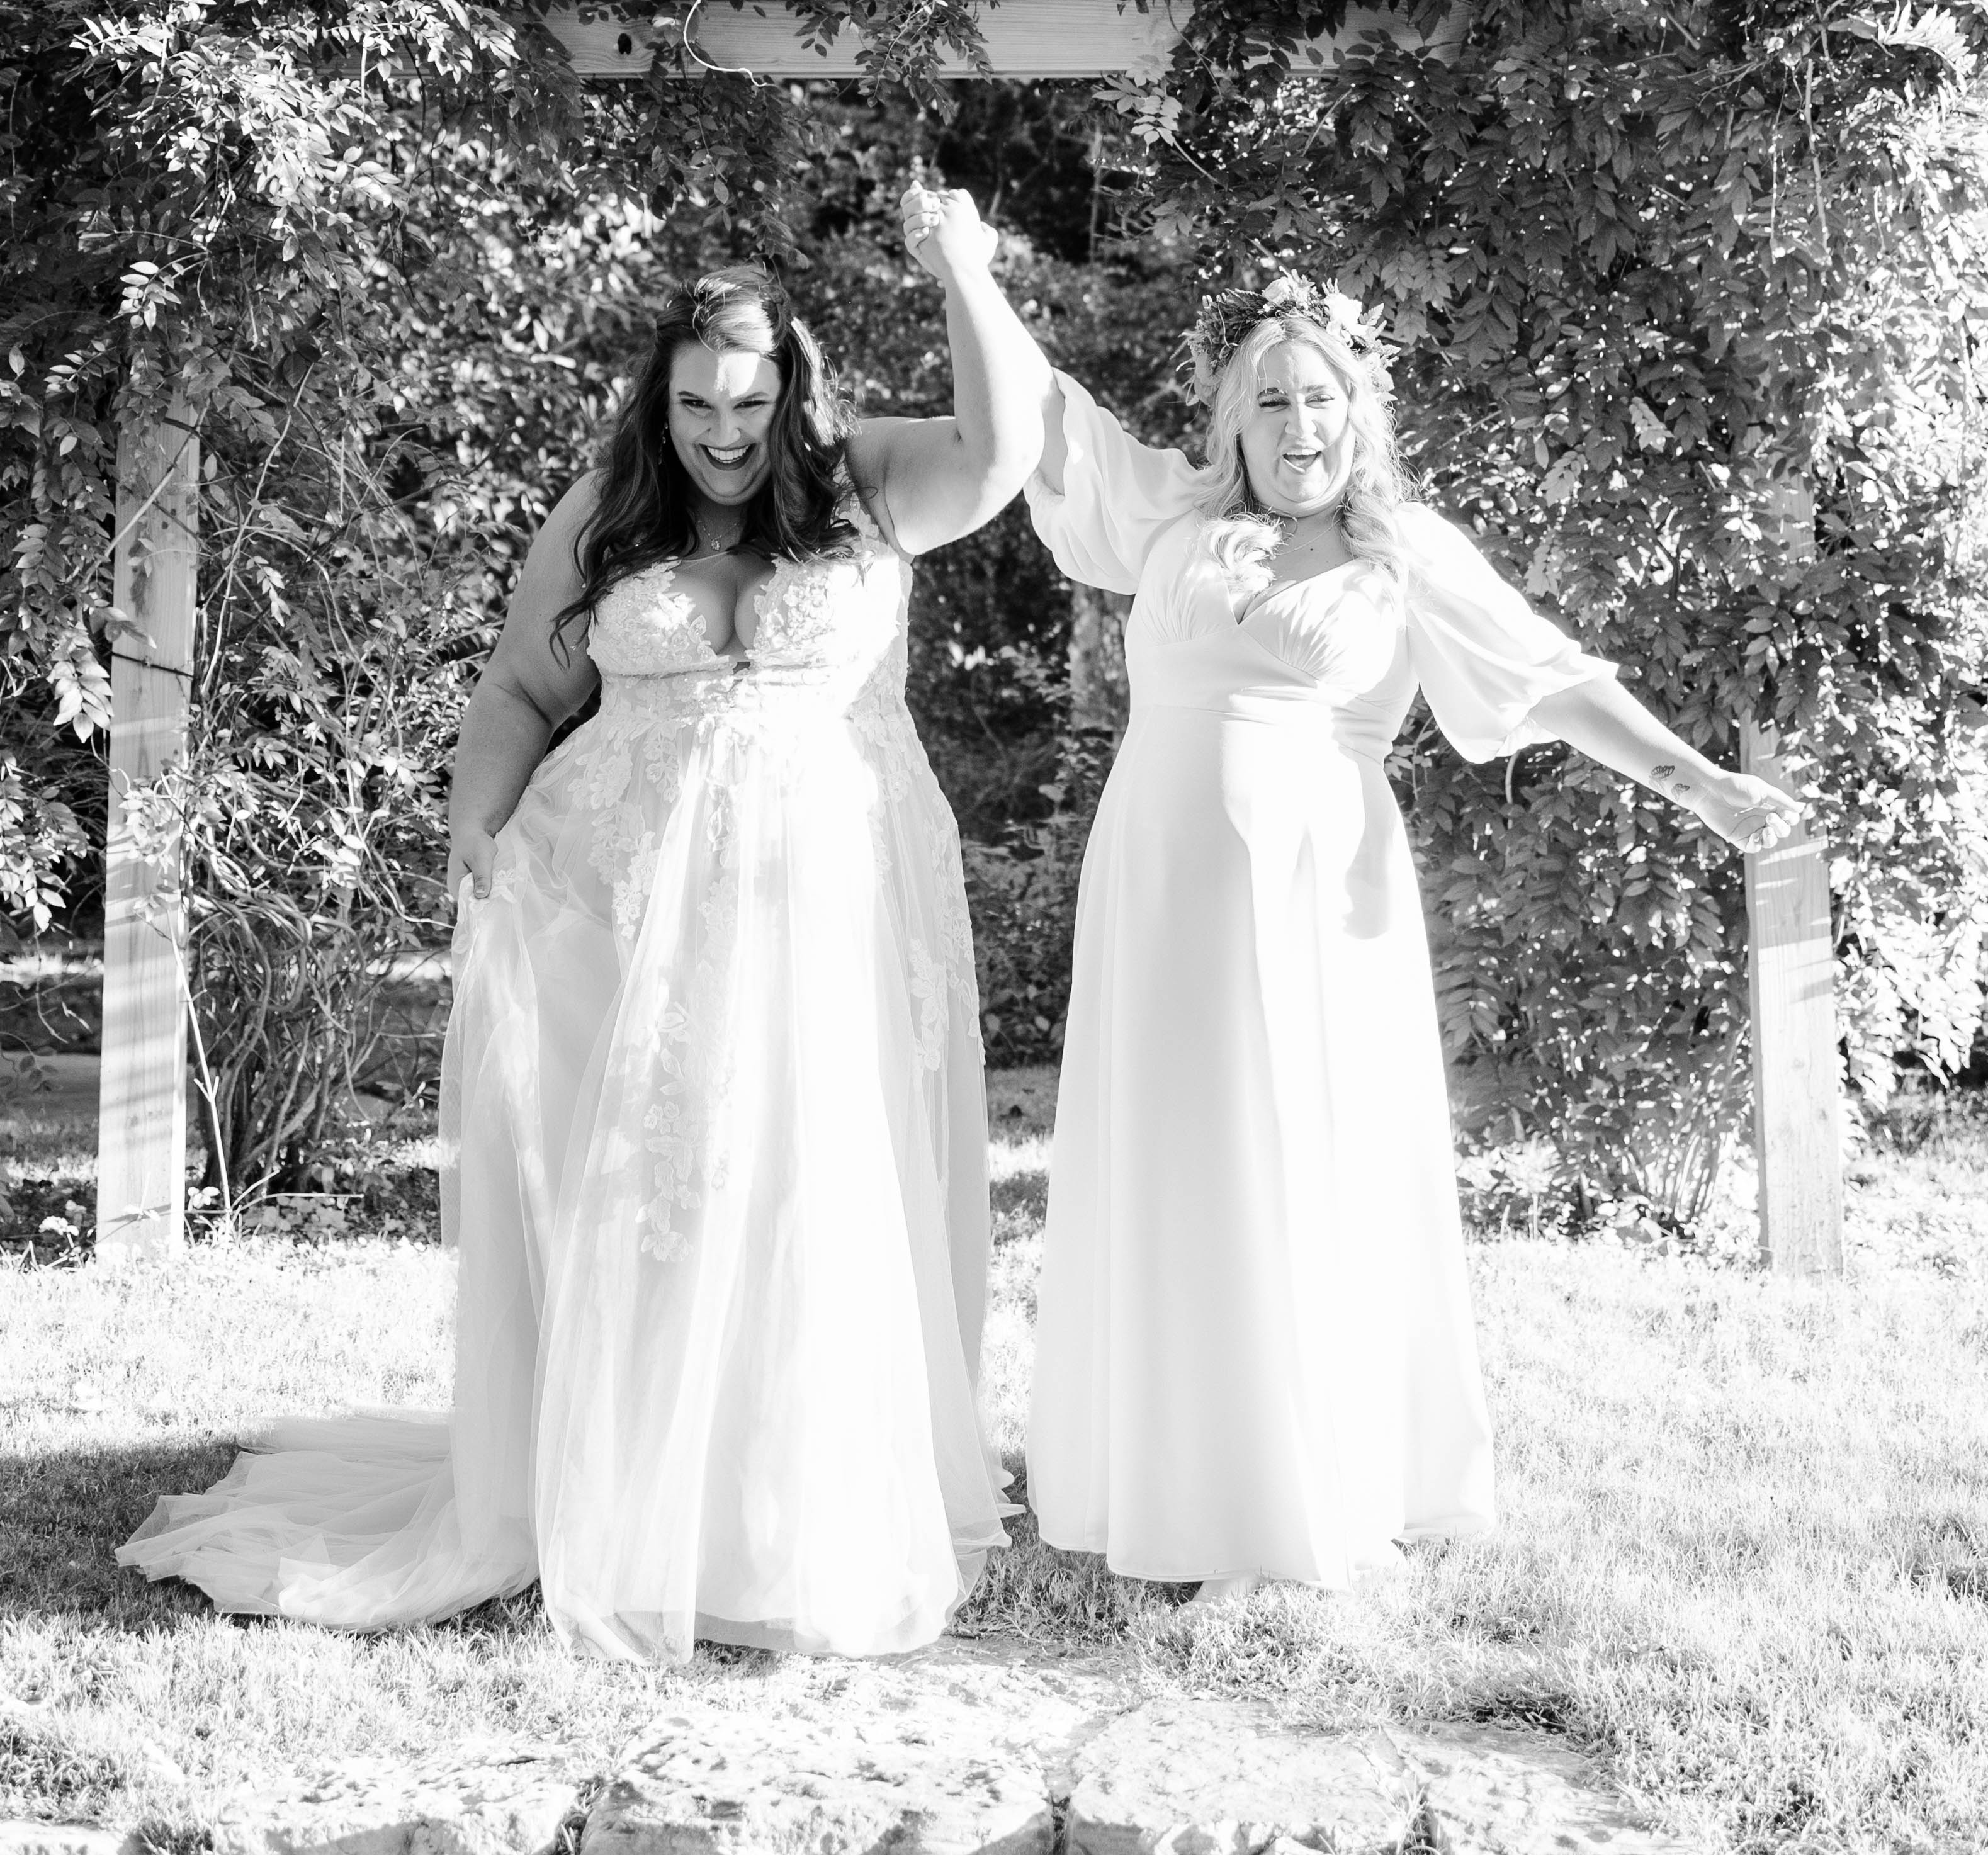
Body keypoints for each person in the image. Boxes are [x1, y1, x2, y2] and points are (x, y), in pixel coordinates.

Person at [121, 183, 1041, 1660]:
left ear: (794, 388)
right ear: (658, 401)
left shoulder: (867, 482)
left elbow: (1003, 451)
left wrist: (963, 268)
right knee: (661, 1193)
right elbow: (519, 689)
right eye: (696, 403)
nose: (724, 431)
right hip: (622, 900)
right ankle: (631, 1497)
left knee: (807, 1183)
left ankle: (779, 1515)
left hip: (826, 908)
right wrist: (474, 825)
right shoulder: (612, 508)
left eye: (750, 400)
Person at [1014, 269, 1801, 1599]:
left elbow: (1554, 681)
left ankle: (1306, 1484)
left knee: (1301, 1158)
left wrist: (1702, 785)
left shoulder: (1401, 551)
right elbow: (1043, 417)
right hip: (1153, 892)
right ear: (1231, 421)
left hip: (1312, 894)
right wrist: (964, 266)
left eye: (1319, 397)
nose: (1298, 424)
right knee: (1176, 1162)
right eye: (1269, 401)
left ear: (1358, 410)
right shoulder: (1173, 518)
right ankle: (1176, 1470)